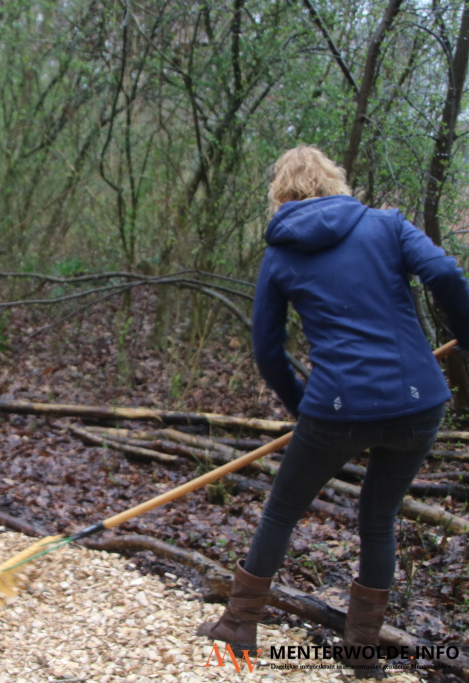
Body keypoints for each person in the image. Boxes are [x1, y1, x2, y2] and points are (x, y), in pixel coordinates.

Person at [196, 145, 469, 678]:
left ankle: (239, 625)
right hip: (418, 403)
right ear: (334, 182)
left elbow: (268, 352)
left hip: (336, 409)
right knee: (379, 519)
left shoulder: (281, 254)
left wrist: (305, 409)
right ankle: (361, 652)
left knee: (281, 512)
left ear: (281, 194)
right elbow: (444, 272)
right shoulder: (387, 225)